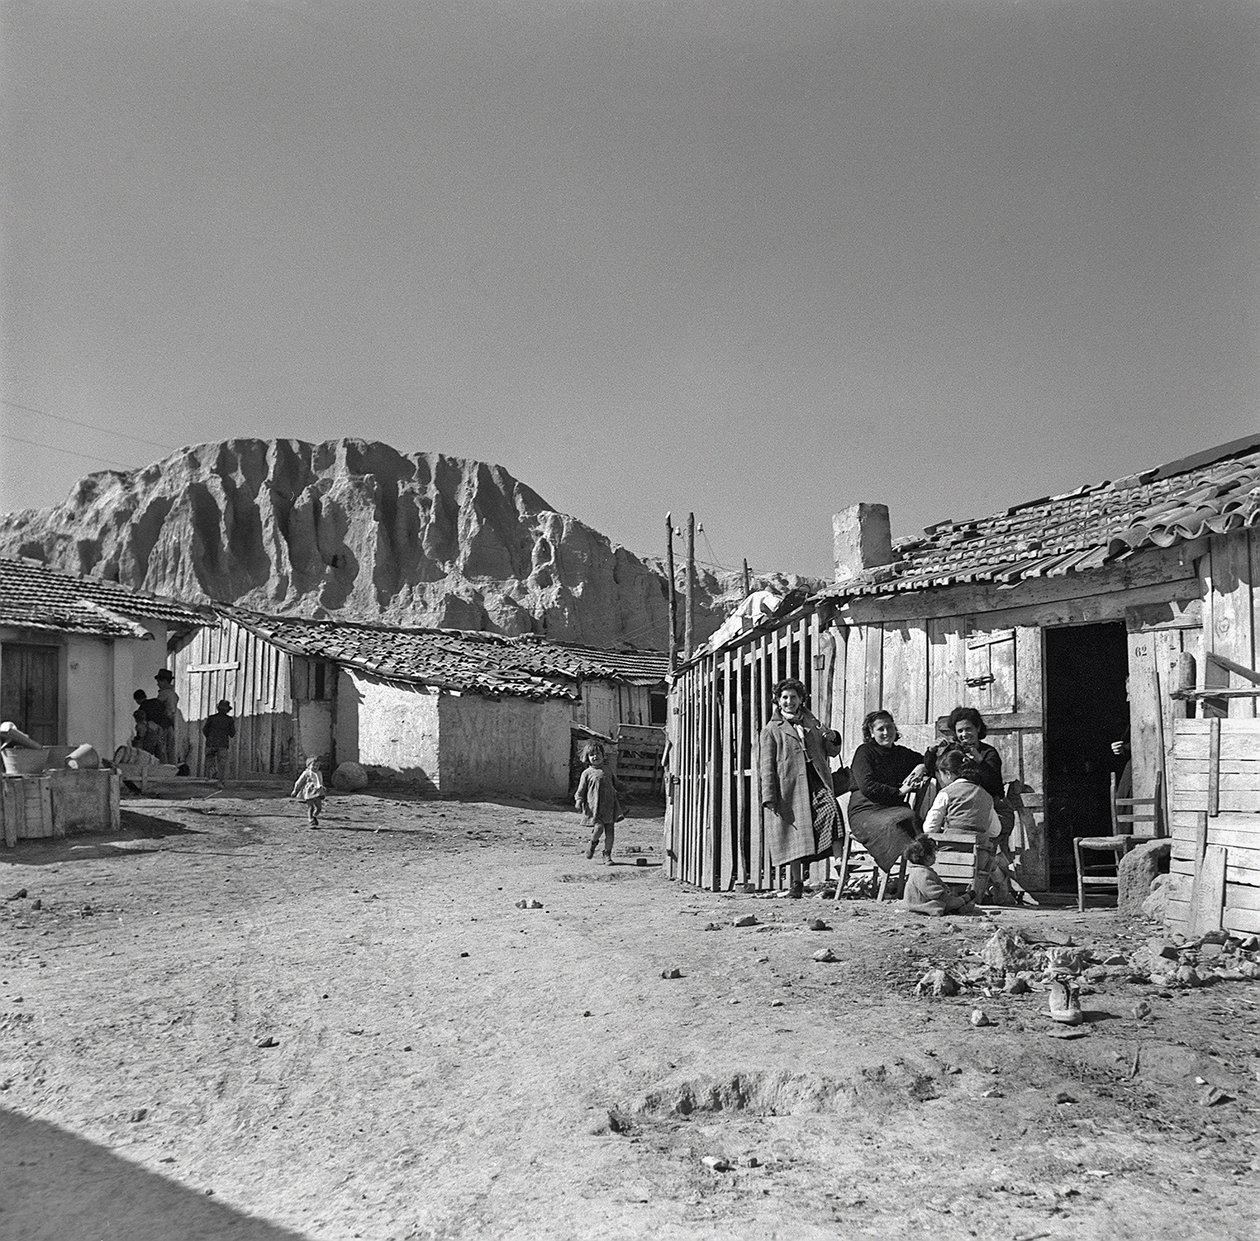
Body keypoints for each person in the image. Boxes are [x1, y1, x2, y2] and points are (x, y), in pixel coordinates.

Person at [758, 677, 843, 898]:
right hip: (790, 787)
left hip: (816, 779)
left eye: (793, 697)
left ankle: (839, 861)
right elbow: (766, 766)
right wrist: (769, 796)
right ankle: (796, 883)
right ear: (777, 701)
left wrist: (832, 737)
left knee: (832, 809)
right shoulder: (771, 730)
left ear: (801, 699)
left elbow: (832, 751)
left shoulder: (812, 723)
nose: (789, 702)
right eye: (784, 698)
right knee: (794, 832)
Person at [846, 710, 925, 874]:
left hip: (892, 808)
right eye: (880, 729)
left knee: (911, 818)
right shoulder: (865, 752)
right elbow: (867, 786)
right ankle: (901, 873)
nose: (886, 733)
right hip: (865, 811)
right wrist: (900, 792)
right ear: (871, 732)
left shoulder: (900, 753)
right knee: (896, 824)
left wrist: (921, 766)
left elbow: (925, 760)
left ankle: (919, 874)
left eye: (889, 727)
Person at [922, 747, 1004, 902]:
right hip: (979, 857)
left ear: (948, 774)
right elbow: (995, 831)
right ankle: (998, 881)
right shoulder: (986, 796)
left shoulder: (946, 793)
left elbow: (929, 828)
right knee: (991, 855)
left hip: (949, 855)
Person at [902, 834, 976, 916]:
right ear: (928, 858)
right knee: (947, 903)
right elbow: (931, 890)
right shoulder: (922, 873)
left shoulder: (920, 871)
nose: (935, 856)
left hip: (922, 902)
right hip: (923, 905)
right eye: (934, 854)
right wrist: (943, 894)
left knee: (950, 902)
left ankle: (961, 902)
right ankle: (964, 899)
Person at [575, 741, 625, 864]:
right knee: (598, 828)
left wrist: (626, 789)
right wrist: (579, 800)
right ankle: (592, 843)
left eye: (598, 754)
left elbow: (616, 784)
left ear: (603, 755)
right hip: (594, 807)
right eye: (592, 755)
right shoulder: (586, 773)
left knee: (610, 832)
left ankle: (607, 855)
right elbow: (581, 790)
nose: (595, 757)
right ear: (587, 757)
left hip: (609, 806)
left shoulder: (607, 770)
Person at [202, 699, 236, 779]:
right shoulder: (229, 720)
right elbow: (232, 734)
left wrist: (209, 737)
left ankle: (208, 778)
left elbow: (205, 730)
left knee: (209, 761)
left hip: (210, 743)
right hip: (222, 744)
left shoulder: (211, 718)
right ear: (227, 710)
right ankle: (220, 781)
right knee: (222, 764)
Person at [292, 755, 327, 828]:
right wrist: (295, 790)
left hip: (317, 792)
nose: (315, 767)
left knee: (319, 808)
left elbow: (320, 782)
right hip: (309, 792)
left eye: (317, 765)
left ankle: (314, 816)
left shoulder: (319, 773)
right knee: (311, 807)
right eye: (313, 765)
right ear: (308, 766)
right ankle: (311, 820)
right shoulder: (306, 773)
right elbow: (299, 782)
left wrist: (322, 787)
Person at [154, 669, 179, 765]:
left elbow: (159, 708)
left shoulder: (164, 694)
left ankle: (164, 768)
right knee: (170, 749)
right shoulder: (174, 694)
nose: (158, 684)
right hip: (170, 724)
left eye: (159, 682)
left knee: (161, 748)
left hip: (163, 724)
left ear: (164, 681)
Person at [132, 690, 165, 758]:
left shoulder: (142, 709)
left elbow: (141, 735)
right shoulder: (155, 701)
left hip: (150, 741)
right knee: (163, 755)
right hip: (164, 728)